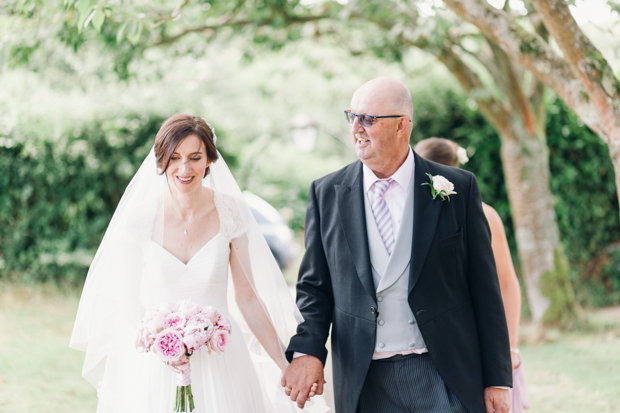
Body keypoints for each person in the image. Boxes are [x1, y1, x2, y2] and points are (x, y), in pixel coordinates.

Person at [281, 77, 512, 413]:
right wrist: (308, 351)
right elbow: (315, 287)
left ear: (403, 125)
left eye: (369, 119)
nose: (357, 129)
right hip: (366, 379)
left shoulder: (458, 189)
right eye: (352, 117)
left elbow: (485, 289)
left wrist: (497, 379)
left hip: (444, 372)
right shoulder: (326, 194)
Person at [70, 114, 326, 412]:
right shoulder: (139, 219)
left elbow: (248, 299)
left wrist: (284, 364)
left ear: (209, 161)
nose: (184, 168)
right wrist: (160, 345)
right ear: (161, 161)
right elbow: (127, 303)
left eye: (195, 157)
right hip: (158, 363)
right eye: (175, 157)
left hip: (223, 357)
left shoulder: (232, 212)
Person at [414, 137, 530, 412]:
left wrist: (509, 348)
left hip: (477, 336)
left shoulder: (485, 215)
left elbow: (506, 283)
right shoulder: (410, 217)